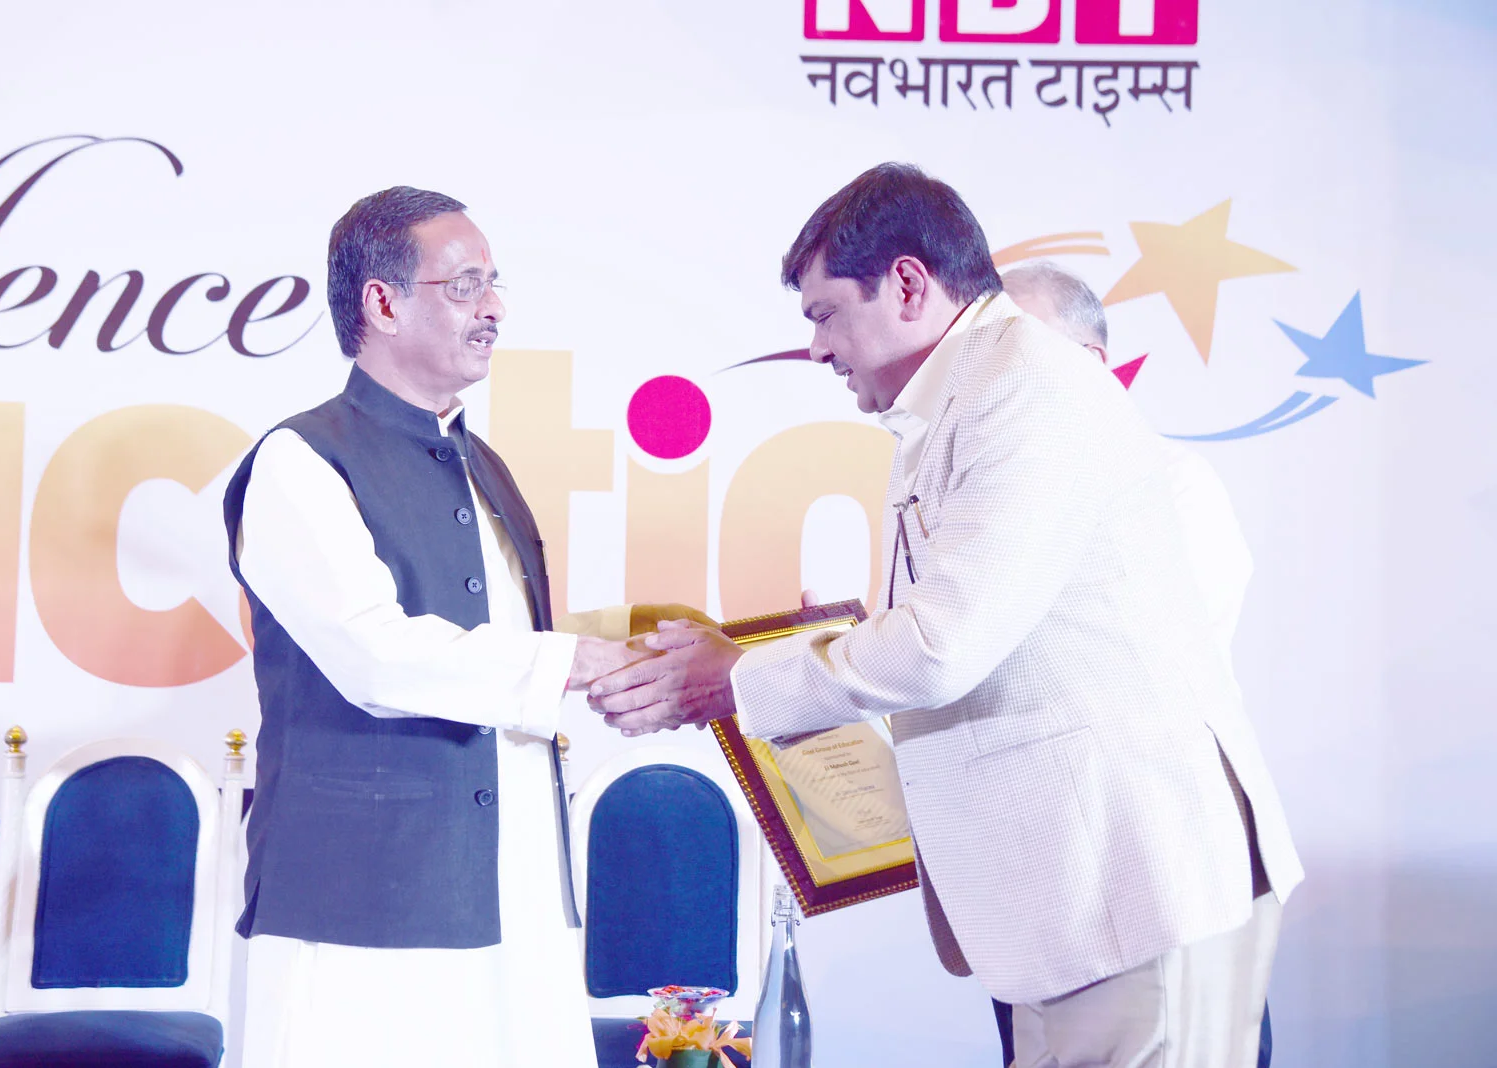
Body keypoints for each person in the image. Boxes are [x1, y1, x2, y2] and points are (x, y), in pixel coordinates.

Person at [588, 164, 1303, 1066]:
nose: (816, 349)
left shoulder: (1023, 386)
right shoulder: (965, 396)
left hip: (1135, 886)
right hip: (1079, 901)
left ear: (908, 285)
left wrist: (736, 679)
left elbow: (941, 645)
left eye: (824, 314)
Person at [221, 186, 691, 1068]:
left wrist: (634, 658)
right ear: (383, 302)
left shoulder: (483, 464)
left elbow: (495, 635)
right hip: (362, 897)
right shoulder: (300, 460)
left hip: (514, 884)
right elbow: (373, 655)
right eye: (467, 284)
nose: (495, 307)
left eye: (496, 283)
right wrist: (574, 661)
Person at [1000, 260, 1274, 1068]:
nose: (988, 378)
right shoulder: (998, 509)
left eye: (1013, 350)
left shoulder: (1171, 487)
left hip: (1158, 870)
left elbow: (1113, 670)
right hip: (1047, 883)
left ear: (1089, 363)